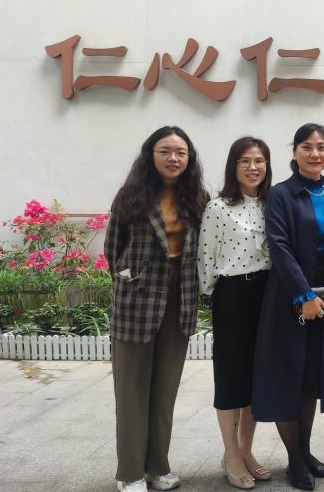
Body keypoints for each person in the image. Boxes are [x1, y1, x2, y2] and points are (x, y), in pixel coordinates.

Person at [251, 124, 324, 490]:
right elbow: (279, 246)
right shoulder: (280, 194)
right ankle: (295, 460)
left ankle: (306, 452)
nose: (315, 154)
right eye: (307, 147)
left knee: (312, 379)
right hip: (289, 299)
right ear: (294, 152)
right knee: (288, 379)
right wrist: (304, 296)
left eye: (321, 147)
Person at [105, 126, 209, 492]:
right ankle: (130, 473)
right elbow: (113, 250)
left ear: (189, 159)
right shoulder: (130, 196)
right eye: (165, 151)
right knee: (131, 393)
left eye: (181, 152)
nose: (173, 158)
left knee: (164, 393)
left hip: (180, 299)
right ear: (151, 155)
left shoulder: (197, 198)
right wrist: (129, 280)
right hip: (137, 301)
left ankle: (157, 467)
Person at [197, 137, 274, 490]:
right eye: (245, 161)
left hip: (267, 293)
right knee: (231, 377)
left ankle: (246, 450)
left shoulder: (273, 204)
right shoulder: (218, 207)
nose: (253, 167)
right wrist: (211, 296)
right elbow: (205, 256)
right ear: (233, 166)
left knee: (257, 378)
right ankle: (230, 454)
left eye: (259, 160)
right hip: (232, 295)